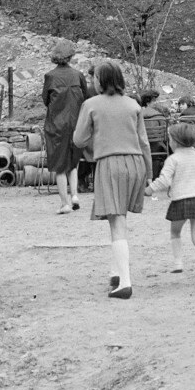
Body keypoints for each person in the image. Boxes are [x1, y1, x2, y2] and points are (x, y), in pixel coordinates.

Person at [73, 61, 152, 300]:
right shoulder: (133, 104)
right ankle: (115, 272)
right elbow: (144, 142)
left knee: (116, 222)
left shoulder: (91, 104)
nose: (93, 81)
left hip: (110, 163)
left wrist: (93, 146)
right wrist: (149, 174)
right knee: (119, 219)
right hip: (136, 163)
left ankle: (125, 283)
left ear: (102, 80)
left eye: (95, 77)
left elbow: (78, 139)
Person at [145, 123, 195, 284]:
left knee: (175, 233)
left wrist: (150, 189)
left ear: (175, 141)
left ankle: (178, 263)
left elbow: (164, 180)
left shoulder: (173, 159)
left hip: (181, 200)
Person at [42, 39, 89, 214]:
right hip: (76, 123)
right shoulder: (78, 75)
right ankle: (75, 195)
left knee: (59, 165)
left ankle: (64, 203)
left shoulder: (50, 76)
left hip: (56, 125)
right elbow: (85, 97)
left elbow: (46, 100)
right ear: (71, 56)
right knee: (73, 161)